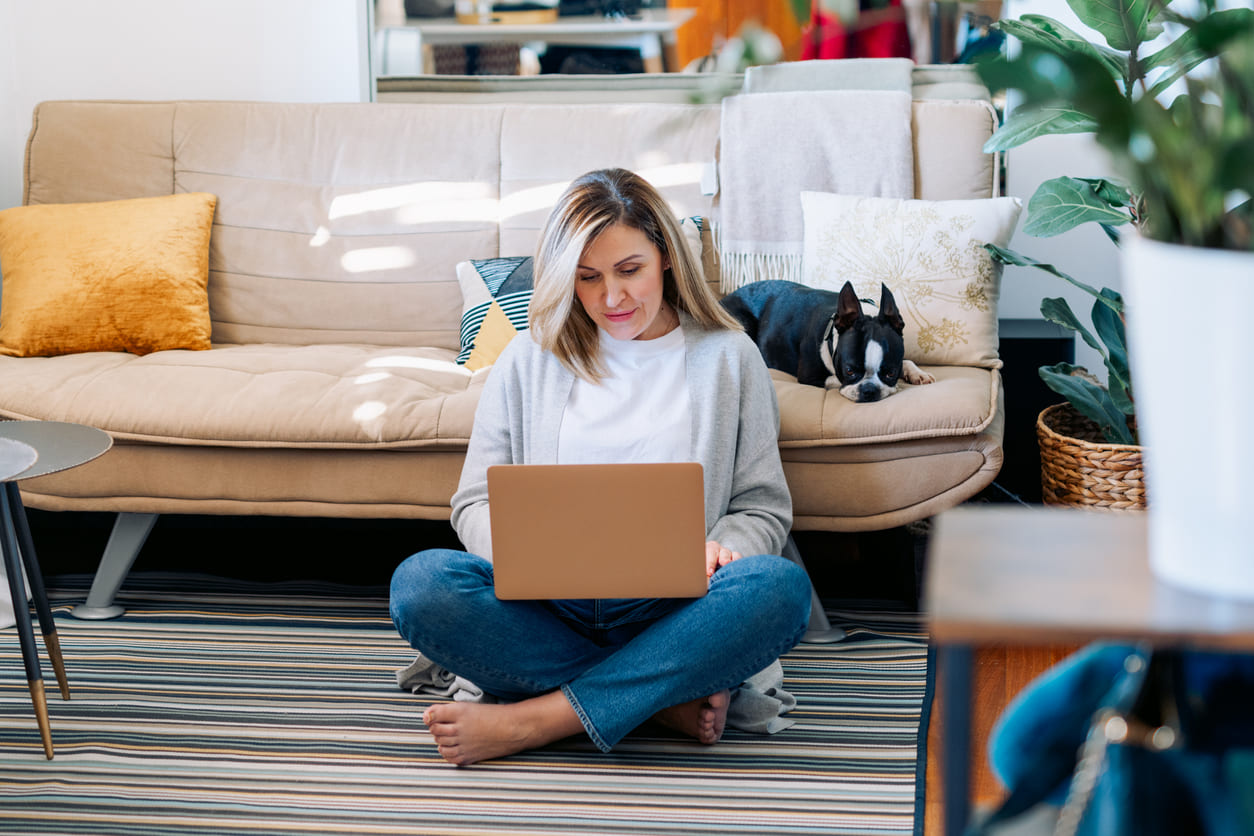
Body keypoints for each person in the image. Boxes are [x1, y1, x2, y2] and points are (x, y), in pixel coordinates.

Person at [389, 168, 812, 766]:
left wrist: (724, 547)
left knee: (779, 590)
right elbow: (473, 502)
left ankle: (536, 720)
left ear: (666, 257)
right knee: (420, 584)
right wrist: (519, 553)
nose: (612, 298)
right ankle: (658, 701)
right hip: (545, 609)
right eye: (588, 278)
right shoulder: (529, 357)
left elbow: (762, 507)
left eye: (629, 270)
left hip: (674, 610)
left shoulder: (729, 357)